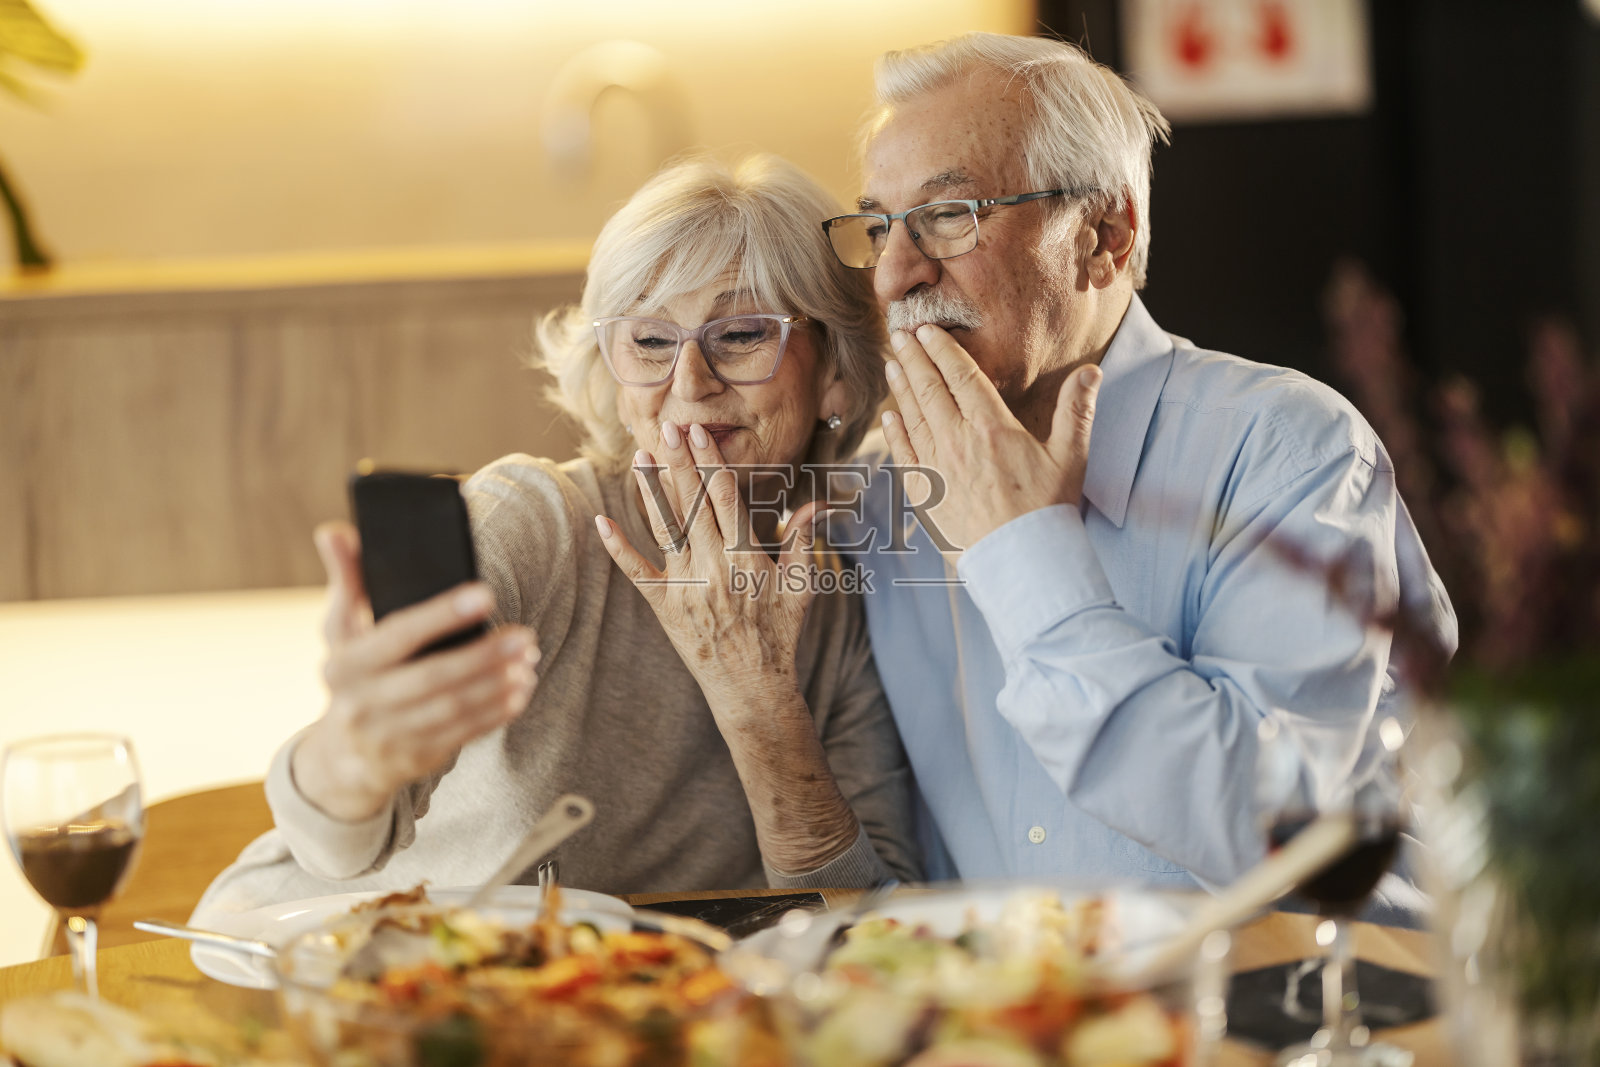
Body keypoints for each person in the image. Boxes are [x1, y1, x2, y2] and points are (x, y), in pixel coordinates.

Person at [195, 155, 919, 923]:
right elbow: (337, 842)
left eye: (739, 334)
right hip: (315, 950)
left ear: (836, 370)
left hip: (602, 988)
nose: (688, 382)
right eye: (649, 341)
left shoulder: (838, 595)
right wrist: (354, 749)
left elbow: (863, 917)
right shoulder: (533, 520)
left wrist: (756, 696)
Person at [823, 33, 1456, 903]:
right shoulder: (872, 496)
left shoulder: (1288, 451)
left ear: (1105, 236)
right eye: (878, 226)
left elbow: (1284, 841)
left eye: (950, 214)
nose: (895, 274)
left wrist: (1025, 555)